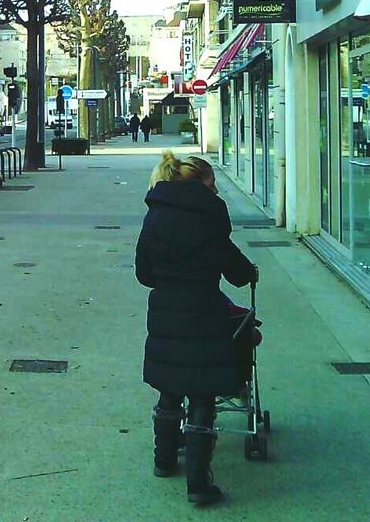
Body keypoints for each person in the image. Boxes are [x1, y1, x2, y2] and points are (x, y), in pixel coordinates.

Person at [134, 151, 258, 506]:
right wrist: (248, 272)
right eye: (213, 183)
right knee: (203, 393)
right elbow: (234, 269)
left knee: (170, 388)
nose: (217, 191)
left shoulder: (155, 214)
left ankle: (164, 461)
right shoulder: (211, 215)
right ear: (200, 184)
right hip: (204, 310)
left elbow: (144, 273)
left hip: (165, 311)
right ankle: (199, 484)